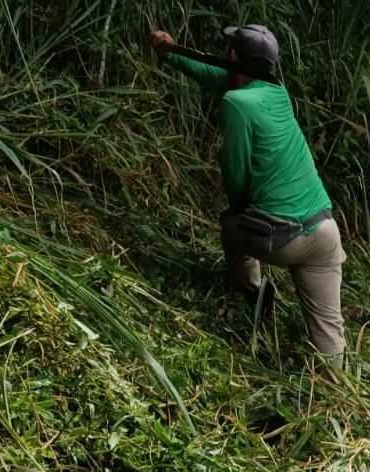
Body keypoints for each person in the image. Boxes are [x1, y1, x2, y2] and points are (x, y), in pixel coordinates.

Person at [149, 25, 347, 362]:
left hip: (282, 239)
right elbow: (217, 76)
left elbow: (235, 174)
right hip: (325, 233)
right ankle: (339, 399)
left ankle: (252, 296)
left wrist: (240, 209)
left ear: (234, 57)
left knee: (232, 227)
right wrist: (172, 55)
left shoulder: (236, 103)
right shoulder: (276, 92)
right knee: (329, 329)